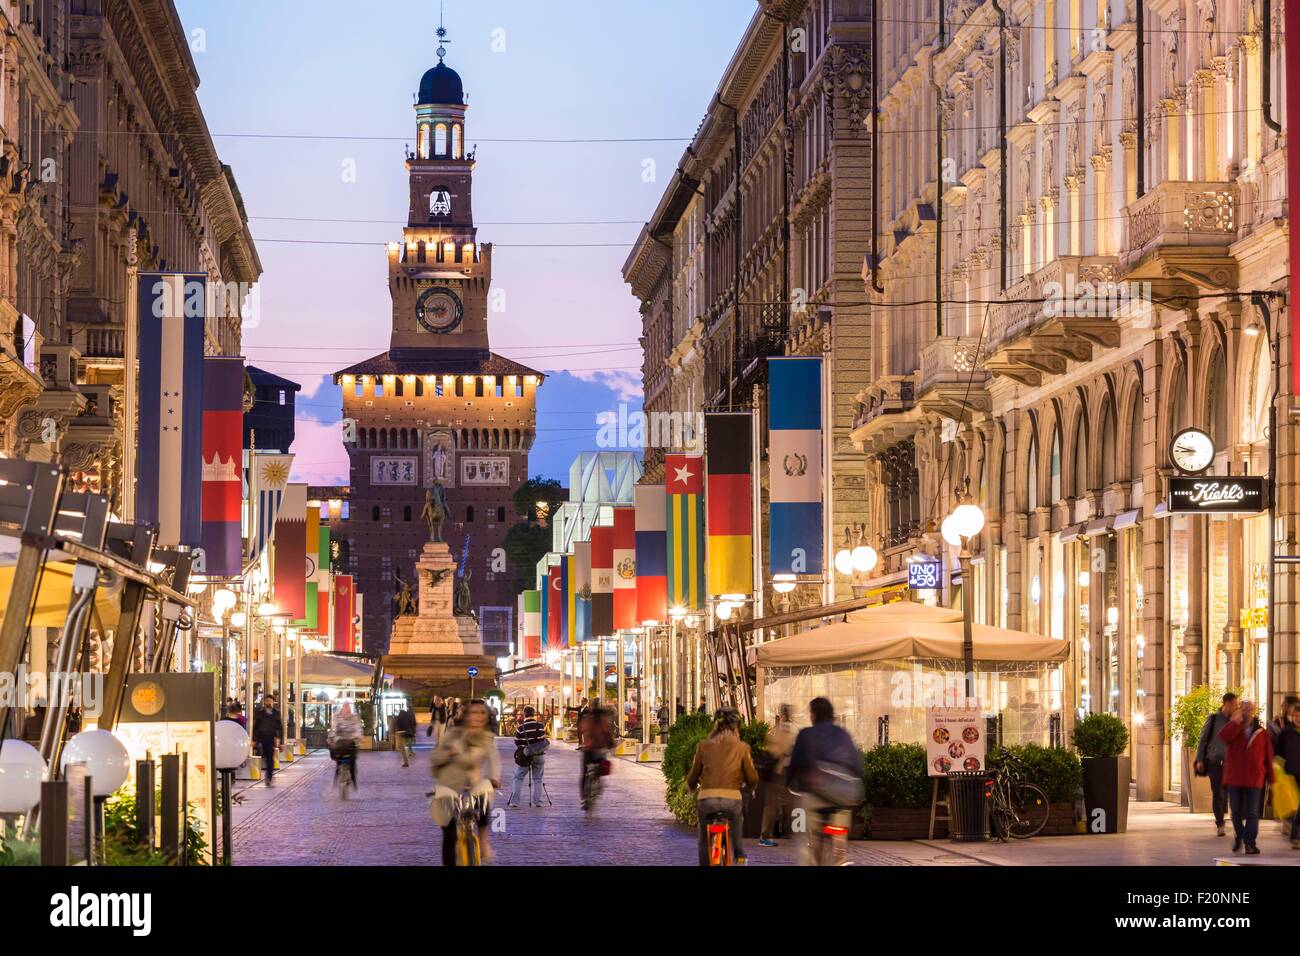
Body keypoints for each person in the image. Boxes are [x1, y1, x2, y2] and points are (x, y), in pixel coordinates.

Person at [786, 697, 864, 865]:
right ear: (832, 715)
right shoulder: (843, 734)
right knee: (840, 820)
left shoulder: (806, 734)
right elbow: (858, 767)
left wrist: (791, 785)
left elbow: (795, 765)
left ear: (813, 715)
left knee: (803, 830)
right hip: (845, 793)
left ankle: (807, 859)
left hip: (816, 792)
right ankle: (840, 853)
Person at [430, 699, 501, 865]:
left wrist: (494, 777)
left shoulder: (488, 738)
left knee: (484, 793)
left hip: (473, 785)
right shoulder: (452, 734)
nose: (478, 716)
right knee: (450, 835)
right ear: (467, 715)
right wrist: (449, 754)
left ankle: (483, 840)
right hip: (449, 785)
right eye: (474, 712)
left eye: (482, 713)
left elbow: (494, 761)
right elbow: (435, 759)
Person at [685, 709, 757, 865]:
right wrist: (751, 787)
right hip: (732, 800)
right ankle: (739, 852)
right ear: (735, 726)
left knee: (704, 841)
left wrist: (690, 787)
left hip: (707, 800)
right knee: (737, 817)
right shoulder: (742, 747)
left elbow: (693, 774)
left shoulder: (703, 746)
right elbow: (752, 777)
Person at [1218, 698, 1275, 855]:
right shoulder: (1234, 728)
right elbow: (1223, 737)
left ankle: (1249, 843)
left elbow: (1268, 757)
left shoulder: (1261, 733)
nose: (1247, 711)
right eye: (1244, 708)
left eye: (1250, 708)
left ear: (1254, 710)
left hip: (1254, 778)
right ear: (1240, 710)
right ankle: (1240, 836)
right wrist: (1235, 723)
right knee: (1235, 812)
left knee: (1252, 812)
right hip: (1235, 777)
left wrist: (1272, 779)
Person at [1194, 691, 1239, 836]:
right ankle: (1220, 822)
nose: (1236, 707)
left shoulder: (1236, 720)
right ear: (1226, 704)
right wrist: (1200, 759)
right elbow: (1203, 739)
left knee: (1231, 792)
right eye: (1234, 705)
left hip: (1232, 763)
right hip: (1215, 761)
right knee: (1218, 793)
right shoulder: (1213, 719)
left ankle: (1234, 818)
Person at [758, 704, 797, 847]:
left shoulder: (774, 732)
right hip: (779, 772)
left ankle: (774, 832)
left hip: (779, 772)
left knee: (776, 804)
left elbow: (768, 749)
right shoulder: (785, 733)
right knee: (776, 804)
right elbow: (781, 750)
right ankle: (770, 834)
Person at [508, 705, 549, 808]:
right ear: (533, 713)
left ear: (524, 714)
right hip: (539, 755)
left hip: (526, 756)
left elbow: (517, 742)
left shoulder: (521, 728)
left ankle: (515, 802)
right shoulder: (540, 725)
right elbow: (542, 739)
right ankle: (538, 802)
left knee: (518, 777)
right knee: (538, 779)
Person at [1273, 702, 1300, 849]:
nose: (1298, 718)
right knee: (1295, 806)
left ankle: (1295, 835)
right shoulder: (1286, 733)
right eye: (1296, 716)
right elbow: (1277, 752)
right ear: (1292, 716)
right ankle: (1295, 835)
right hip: (1291, 774)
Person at [577, 701, 615, 803]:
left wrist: (583, 741)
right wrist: (611, 745)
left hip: (588, 750)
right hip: (600, 750)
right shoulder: (604, 721)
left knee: (584, 773)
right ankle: (596, 784)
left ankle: (584, 797)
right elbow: (608, 735)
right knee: (599, 771)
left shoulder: (587, 720)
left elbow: (581, 730)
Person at [328, 702, 363, 789]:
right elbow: (334, 728)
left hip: (351, 740)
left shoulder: (354, 717)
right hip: (340, 741)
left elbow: (357, 727)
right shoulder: (337, 717)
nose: (347, 710)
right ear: (342, 708)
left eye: (348, 708)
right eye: (345, 708)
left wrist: (358, 736)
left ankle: (352, 778)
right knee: (338, 758)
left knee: (352, 761)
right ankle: (338, 775)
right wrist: (332, 737)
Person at [252, 695, 283, 787]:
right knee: (261, 756)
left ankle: (269, 776)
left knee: (270, 758)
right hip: (260, 738)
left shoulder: (276, 713)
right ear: (264, 702)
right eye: (267, 701)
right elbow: (255, 726)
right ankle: (262, 772)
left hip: (270, 738)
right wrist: (254, 739)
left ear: (273, 702)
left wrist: (281, 742)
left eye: (271, 701)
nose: (269, 703)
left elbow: (280, 728)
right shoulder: (259, 712)